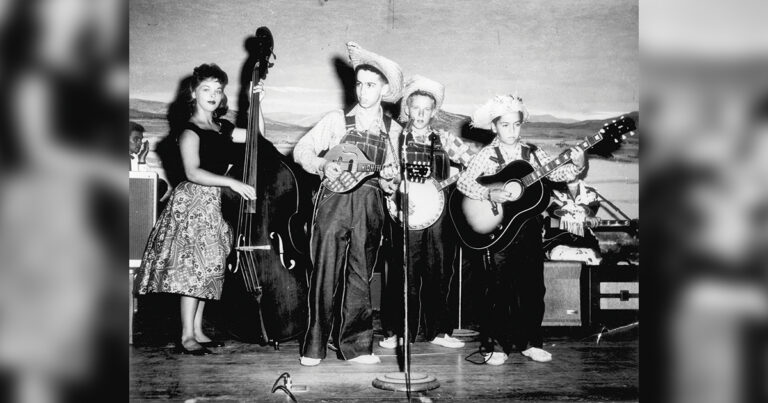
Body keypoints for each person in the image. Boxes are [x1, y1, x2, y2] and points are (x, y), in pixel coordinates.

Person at [133, 63, 259, 355]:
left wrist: (256, 100)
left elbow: (256, 134)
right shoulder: (189, 130)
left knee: (208, 268)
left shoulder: (222, 127)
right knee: (193, 270)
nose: (214, 94)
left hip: (214, 203)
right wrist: (232, 182)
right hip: (193, 202)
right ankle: (187, 335)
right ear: (193, 92)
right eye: (207, 89)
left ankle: (198, 330)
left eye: (218, 89)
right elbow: (192, 171)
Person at [293, 42, 403, 366]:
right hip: (333, 202)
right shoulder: (336, 119)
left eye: (370, 84)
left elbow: (391, 180)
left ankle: (356, 347)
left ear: (384, 88)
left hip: (370, 205)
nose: (363, 90)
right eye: (359, 83)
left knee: (361, 276)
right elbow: (301, 150)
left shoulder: (393, 131)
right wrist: (323, 164)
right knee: (324, 272)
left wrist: (390, 180)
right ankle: (313, 347)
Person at [456, 95, 587, 365]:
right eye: (505, 125)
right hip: (500, 229)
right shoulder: (486, 155)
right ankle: (497, 346)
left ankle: (530, 342)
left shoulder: (533, 153)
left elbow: (557, 174)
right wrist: (490, 192)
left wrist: (577, 163)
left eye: (516, 125)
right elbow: (464, 184)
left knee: (532, 287)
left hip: (528, 228)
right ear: (494, 127)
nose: (511, 131)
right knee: (498, 288)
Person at [379, 75, 473, 350]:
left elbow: (474, 164)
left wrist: (457, 175)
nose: (420, 114)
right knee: (402, 273)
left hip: (439, 216)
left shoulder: (444, 138)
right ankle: (398, 332)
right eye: (415, 108)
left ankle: (439, 331)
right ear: (407, 108)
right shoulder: (395, 138)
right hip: (405, 212)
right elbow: (385, 173)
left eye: (426, 109)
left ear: (434, 112)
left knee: (439, 271)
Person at [543, 178, 602, 265]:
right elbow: (556, 210)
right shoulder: (547, 191)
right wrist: (583, 218)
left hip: (585, 240)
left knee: (593, 258)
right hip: (557, 241)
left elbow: (590, 211)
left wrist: (587, 217)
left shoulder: (590, 192)